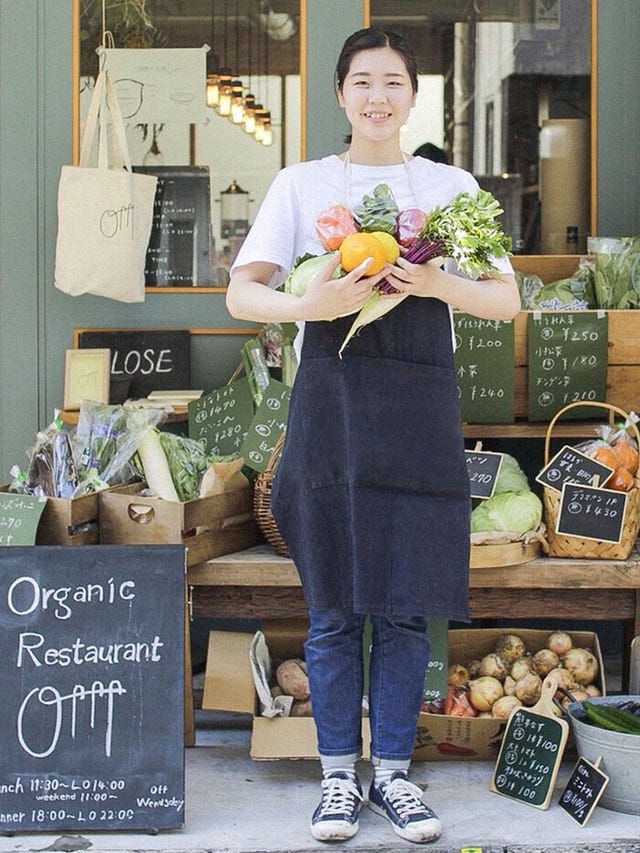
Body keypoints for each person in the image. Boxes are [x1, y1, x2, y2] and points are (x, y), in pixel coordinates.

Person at [226, 27, 520, 845]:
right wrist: (308, 308)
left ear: (414, 95)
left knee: (401, 607)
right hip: (331, 414)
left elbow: (506, 300)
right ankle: (335, 780)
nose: (378, 96)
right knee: (330, 607)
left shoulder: (447, 184)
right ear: (340, 93)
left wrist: (435, 280)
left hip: (419, 411)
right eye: (363, 81)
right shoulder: (303, 184)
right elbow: (242, 296)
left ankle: (392, 774)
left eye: (394, 81)